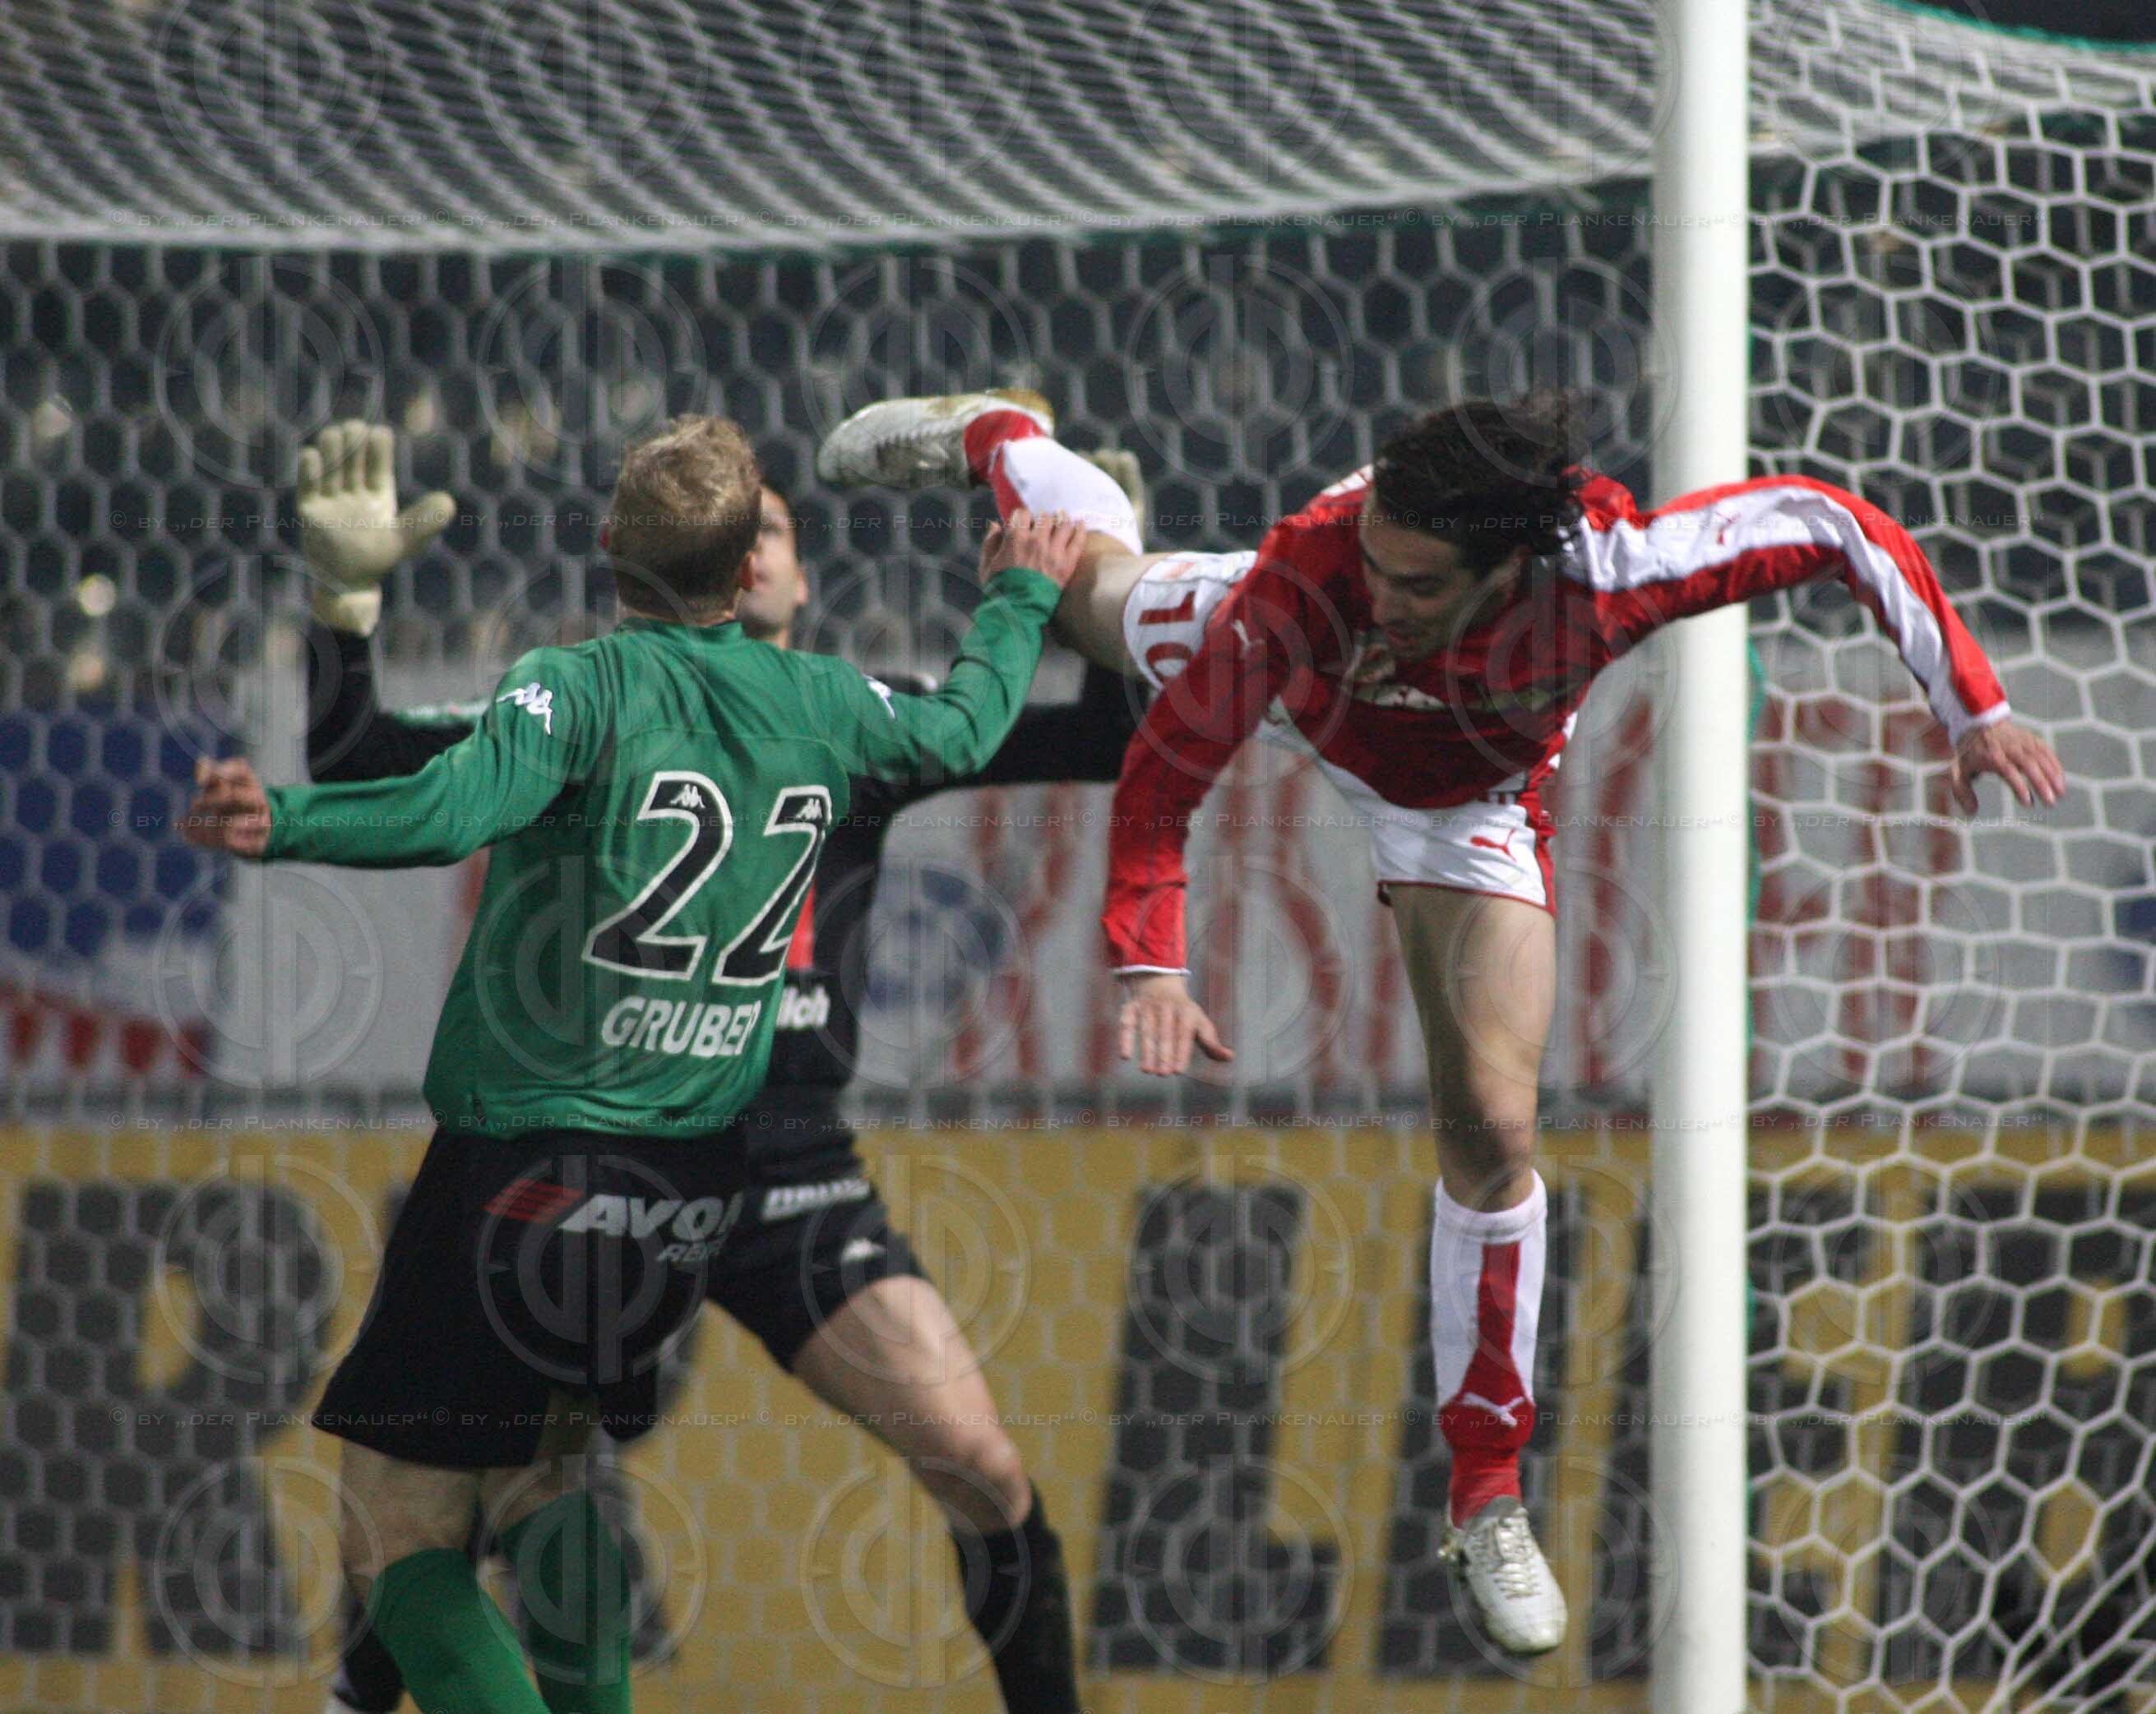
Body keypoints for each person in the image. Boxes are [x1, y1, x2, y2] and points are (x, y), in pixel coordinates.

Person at [816, 386, 2066, 1656]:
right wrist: (1150, 959)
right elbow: (1166, 772)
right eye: (1376, 561)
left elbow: (1830, 522)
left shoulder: (1612, 569)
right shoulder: (1311, 582)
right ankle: (1002, 435)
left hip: (1461, 806)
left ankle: (1485, 1495)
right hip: (1294, 685)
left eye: (1414, 583)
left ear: (1508, 570)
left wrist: (1972, 706)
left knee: (1494, 1125)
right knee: (1080, 591)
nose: (1384, 595)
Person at [184, 413, 1086, 1714]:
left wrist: (285, 820)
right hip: (685, 1181)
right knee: (543, 1478)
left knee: (396, 1534)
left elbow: (448, 807)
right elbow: (960, 728)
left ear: (607, 541)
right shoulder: (833, 702)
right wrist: (1018, 598)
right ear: (744, 572)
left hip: (527, 1163)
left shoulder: (577, 688)